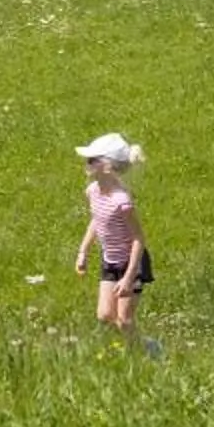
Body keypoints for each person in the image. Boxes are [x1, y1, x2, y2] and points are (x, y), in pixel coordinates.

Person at [73, 135, 153, 346]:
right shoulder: (92, 191)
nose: (86, 163)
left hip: (131, 264)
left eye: (92, 160)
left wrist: (128, 278)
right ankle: (136, 345)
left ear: (107, 166)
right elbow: (96, 220)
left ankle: (147, 351)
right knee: (104, 315)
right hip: (110, 261)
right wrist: (83, 252)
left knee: (124, 321)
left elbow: (138, 238)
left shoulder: (122, 201)